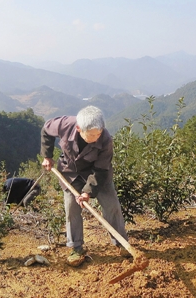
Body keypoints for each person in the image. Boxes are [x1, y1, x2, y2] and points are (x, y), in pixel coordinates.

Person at [40, 105, 130, 267]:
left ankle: (121, 243)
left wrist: (88, 192)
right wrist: (47, 156)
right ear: (79, 128)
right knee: (71, 208)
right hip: (71, 172)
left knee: (112, 206)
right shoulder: (64, 125)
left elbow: (101, 169)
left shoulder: (106, 140)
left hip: (97, 175)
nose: (96, 137)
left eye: (98, 133)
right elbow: (46, 130)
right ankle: (76, 248)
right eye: (91, 135)